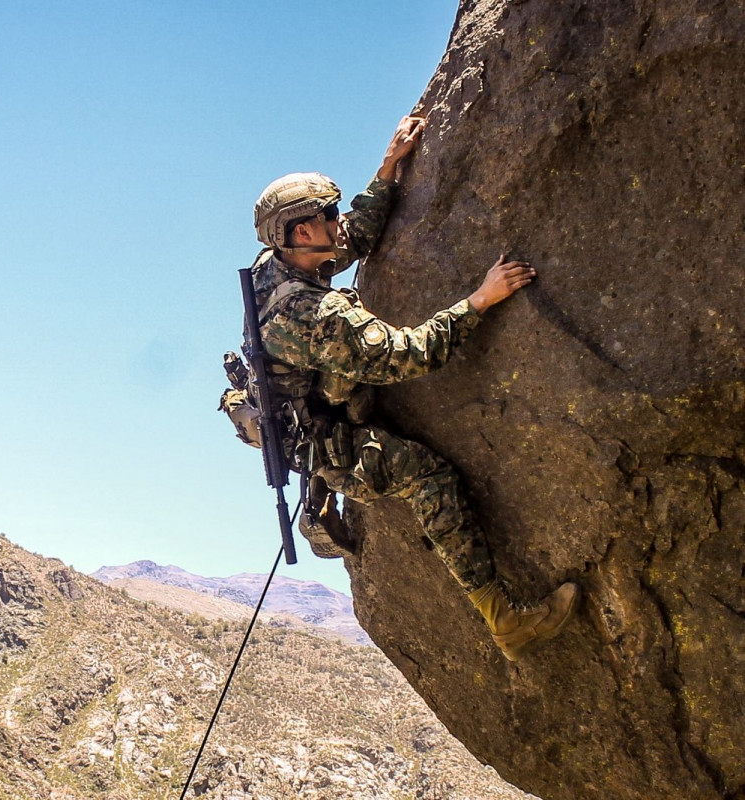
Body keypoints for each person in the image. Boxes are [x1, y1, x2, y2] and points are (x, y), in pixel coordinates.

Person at [236, 116, 578, 661]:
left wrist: (388, 169)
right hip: (323, 438)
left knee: (352, 391)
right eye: (326, 215)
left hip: (306, 403)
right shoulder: (310, 313)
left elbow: (354, 238)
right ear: (301, 233)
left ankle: (330, 487)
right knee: (429, 476)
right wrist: (481, 299)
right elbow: (409, 354)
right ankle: (506, 621)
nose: (335, 221)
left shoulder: (278, 264)